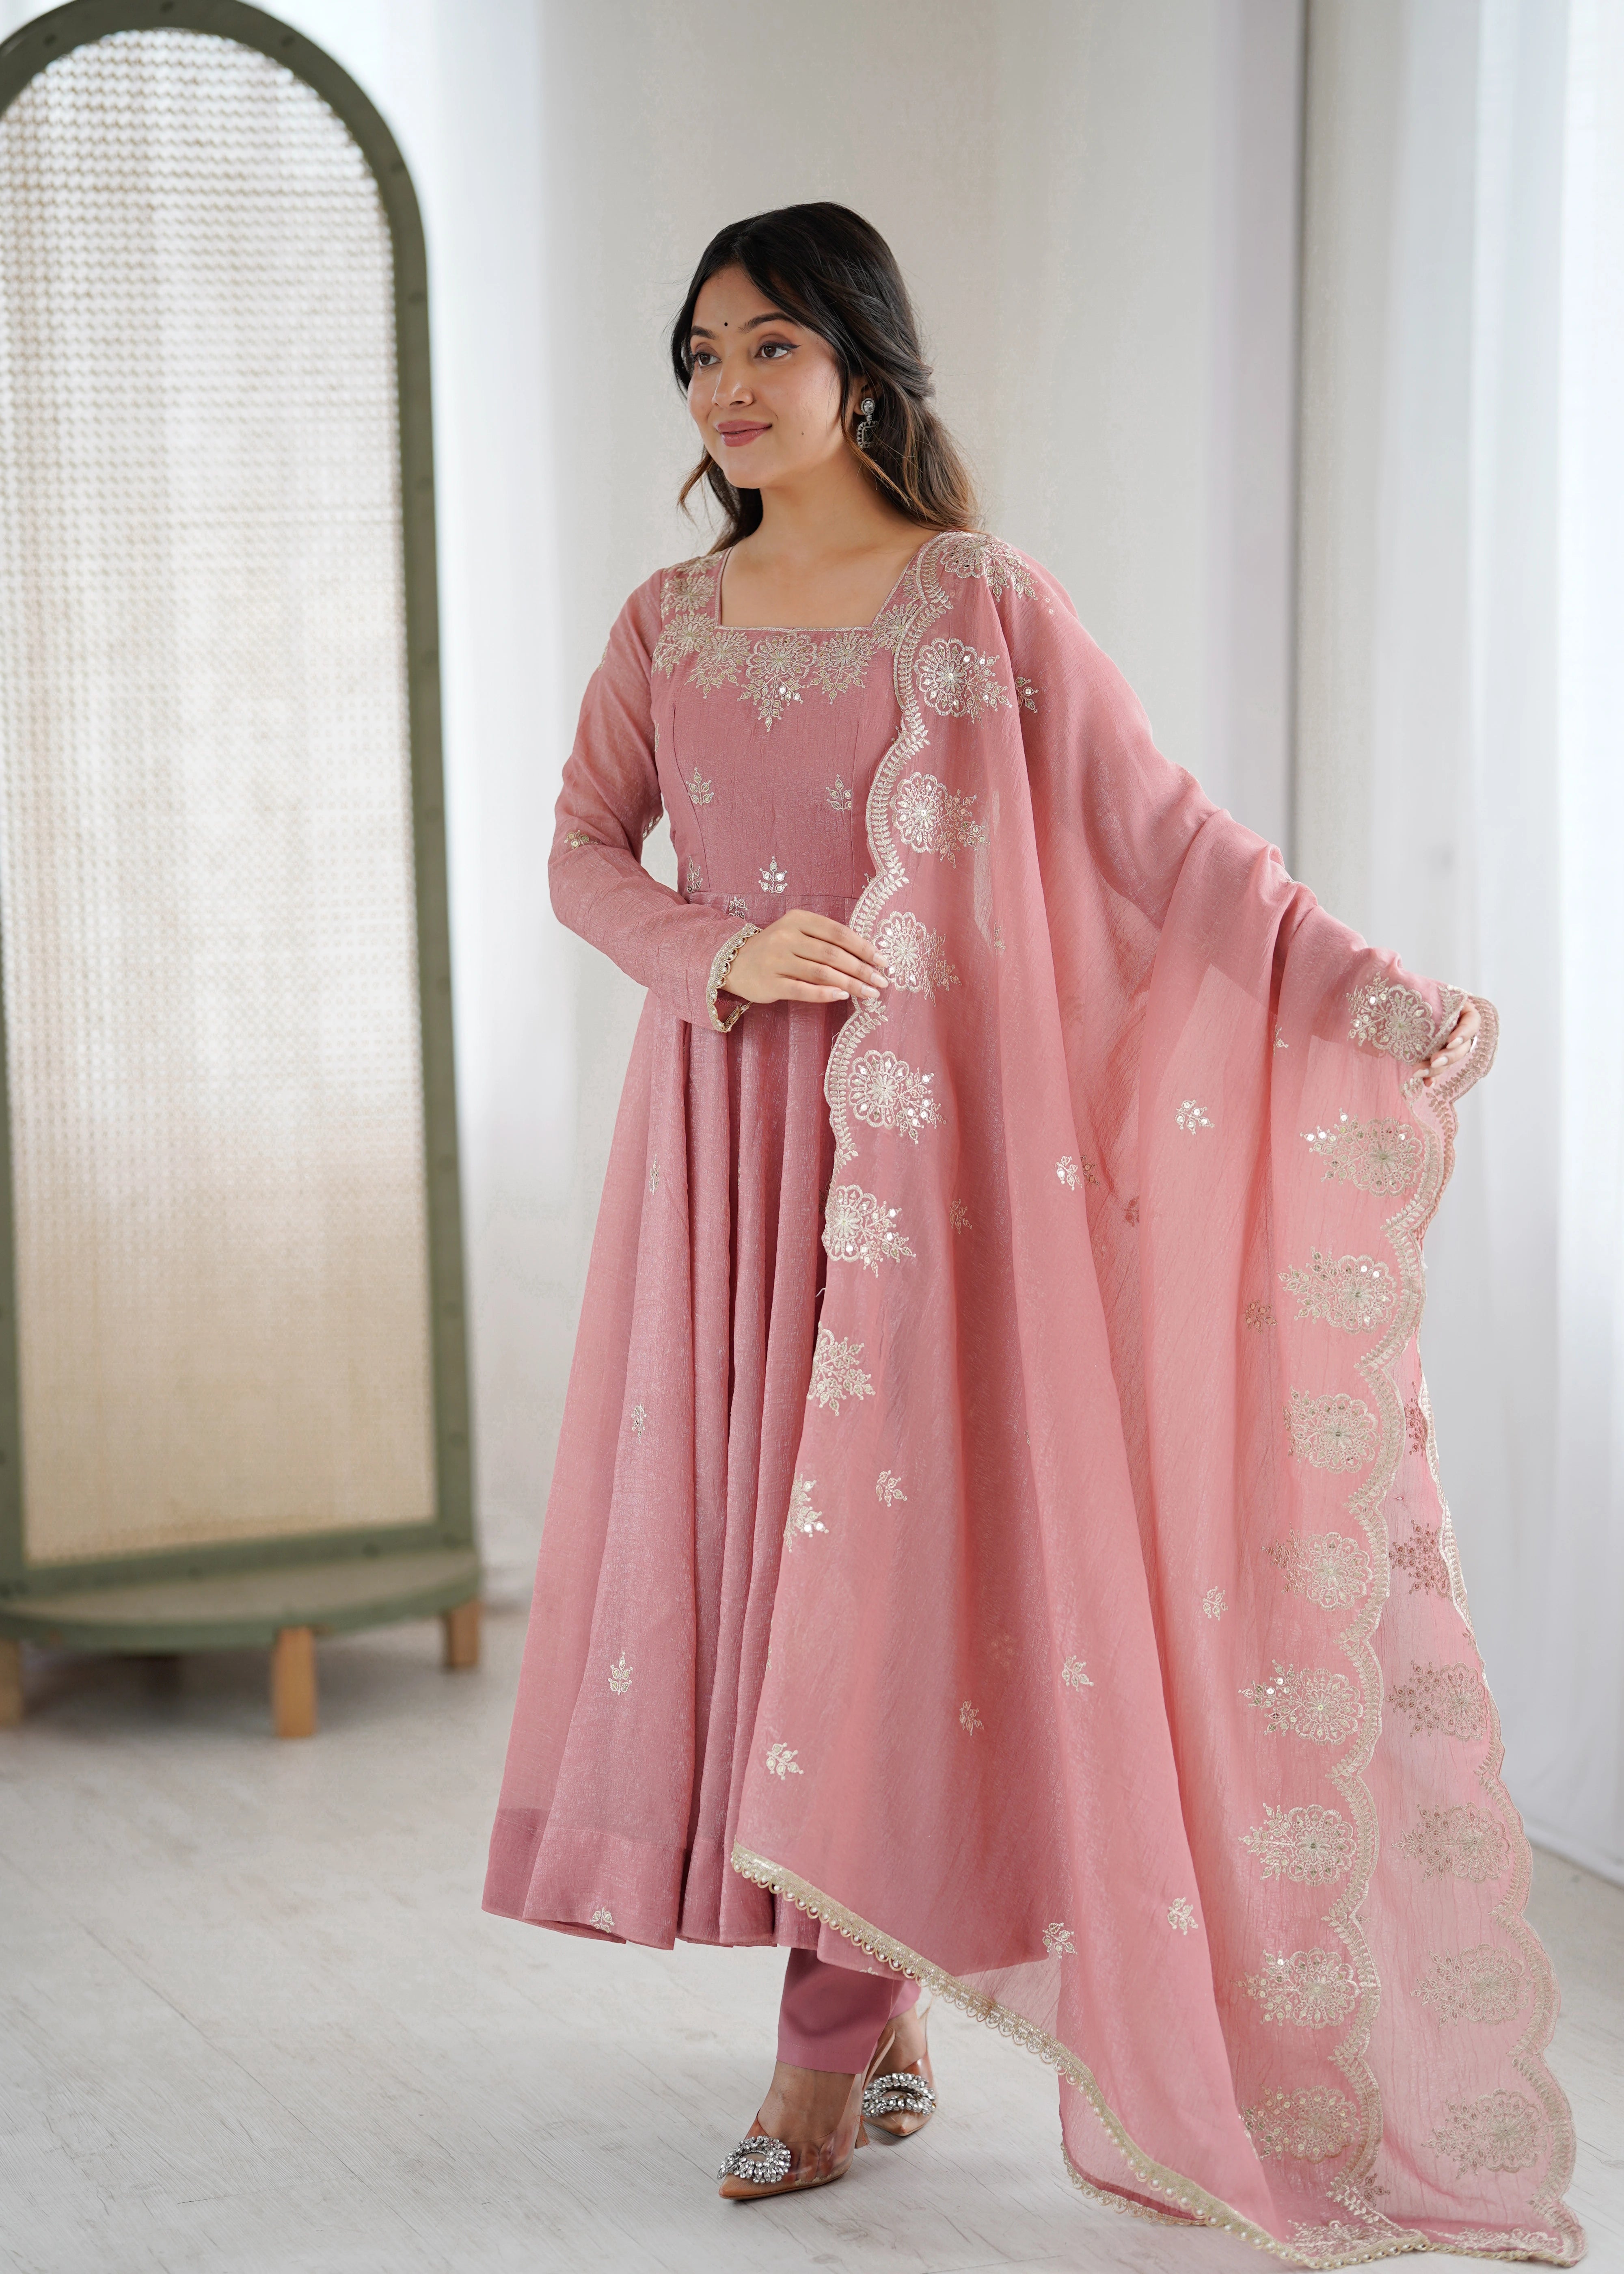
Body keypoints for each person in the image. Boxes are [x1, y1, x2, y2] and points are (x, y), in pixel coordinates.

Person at [486, 205, 1581, 2262]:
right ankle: (869, 2013)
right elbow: (574, 852)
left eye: (770, 348)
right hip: (730, 1147)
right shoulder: (666, 619)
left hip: (930, 1185)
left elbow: (1169, 844)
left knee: (896, 1579)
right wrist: (721, 949)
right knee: (766, 1574)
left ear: (863, 370)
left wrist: (1374, 1000)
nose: (727, 387)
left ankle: (826, 2050)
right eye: (699, 352)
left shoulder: (972, 602)